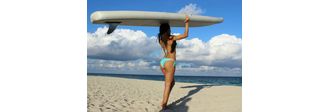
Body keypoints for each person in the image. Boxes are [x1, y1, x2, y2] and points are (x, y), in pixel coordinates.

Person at [158, 16, 189, 110]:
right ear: (168, 29)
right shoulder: (171, 38)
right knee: (168, 84)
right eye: (169, 28)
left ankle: (164, 101)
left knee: (172, 82)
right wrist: (187, 23)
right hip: (170, 62)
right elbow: (185, 34)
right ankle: (164, 105)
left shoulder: (160, 38)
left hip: (163, 62)